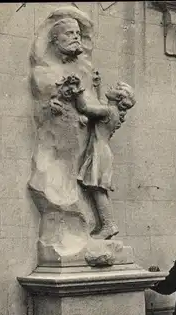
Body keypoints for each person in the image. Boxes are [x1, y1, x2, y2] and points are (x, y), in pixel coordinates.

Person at [76, 82, 136, 239]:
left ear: (118, 97)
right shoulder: (113, 111)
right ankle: (107, 224)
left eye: (114, 88)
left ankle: (109, 225)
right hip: (102, 150)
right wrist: (97, 86)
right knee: (97, 190)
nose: (111, 88)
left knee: (98, 190)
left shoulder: (108, 110)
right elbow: (99, 104)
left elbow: (84, 108)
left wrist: (78, 91)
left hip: (99, 151)